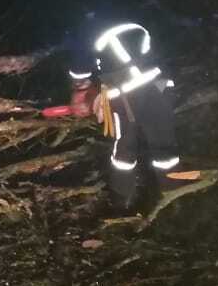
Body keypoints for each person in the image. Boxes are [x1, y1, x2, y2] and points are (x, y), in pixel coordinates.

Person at [66, 15, 195, 210]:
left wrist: (80, 92)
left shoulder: (87, 30)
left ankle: (121, 202)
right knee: (165, 147)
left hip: (126, 93)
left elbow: (80, 72)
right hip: (160, 85)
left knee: (125, 149)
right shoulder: (135, 17)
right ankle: (175, 198)